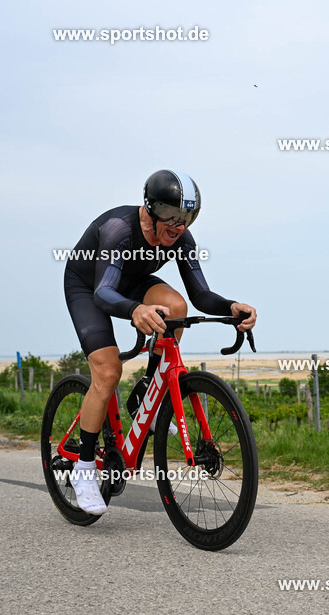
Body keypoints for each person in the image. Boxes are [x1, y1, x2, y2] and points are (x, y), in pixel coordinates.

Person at [62, 170, 257, 513]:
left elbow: (200, 295)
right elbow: (104, 291)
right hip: (90, 285)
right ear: (150, 209)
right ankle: (85, 466)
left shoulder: (182, 238)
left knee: (176, 306)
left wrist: (231, 307)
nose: (178, 226)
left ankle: (149, 393)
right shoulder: (119, 230)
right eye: (170, 216)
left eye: (186, 218)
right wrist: (135, 309)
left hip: (131, 283)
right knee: (107, 374)